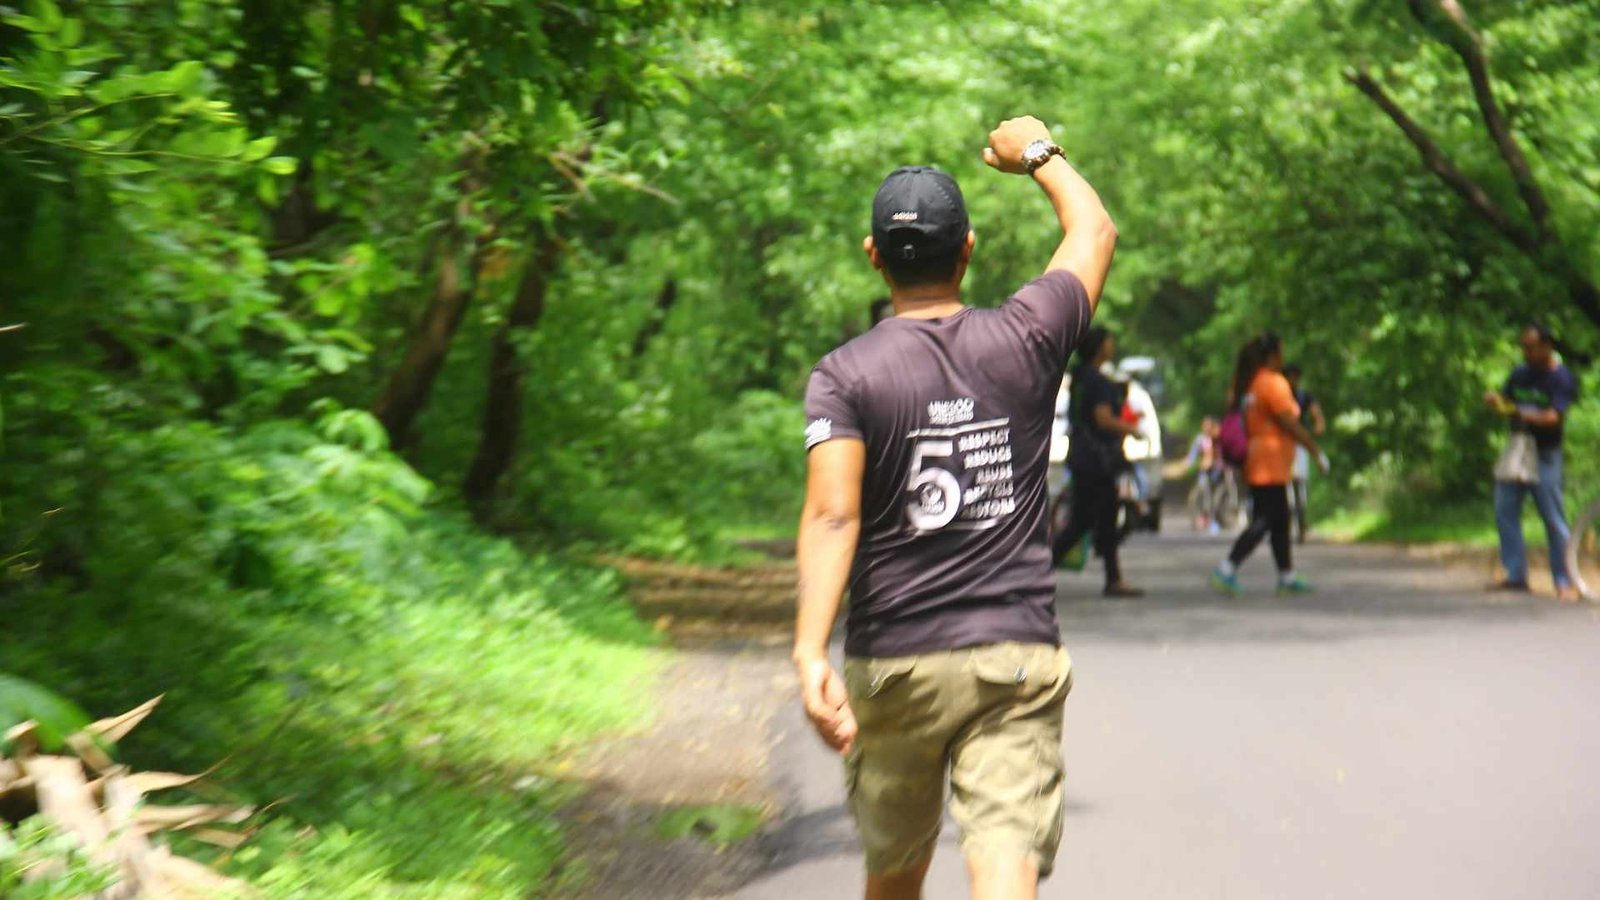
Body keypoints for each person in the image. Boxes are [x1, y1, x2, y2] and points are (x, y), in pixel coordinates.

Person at [795, 115, 1117, 900]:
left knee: (894, 873)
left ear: (875, 258)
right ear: (966, 249)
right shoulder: (1025, 337)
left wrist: (809, 652)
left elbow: (833, 518)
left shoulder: (843, 377)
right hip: (1013, 654)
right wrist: (1036, 152)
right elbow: (1094, 228)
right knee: (1006, 854)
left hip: (895, 659)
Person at [1210, 333, 1327, 597]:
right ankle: (1227, 568)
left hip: (1260, 458)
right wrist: (1314, 450)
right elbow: (1288, 421)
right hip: (1269, 461)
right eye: (1281, 352)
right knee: (1264, 519)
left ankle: (1286, 575)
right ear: (1273, 355)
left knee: (1280, 519)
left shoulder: (1251, 382)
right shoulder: (1273, 383)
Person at [1484, 324, 1580, 602]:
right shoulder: (1520, 374)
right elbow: (1509, 403)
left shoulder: (1561, 378)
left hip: (1545, 453)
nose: (1526, 352)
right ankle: (1515, 575)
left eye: (1531, 347)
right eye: (1523, 347)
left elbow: (1553, 417)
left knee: (1553, 518)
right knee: (1505, 509)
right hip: (1517, 450)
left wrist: (1520, 413)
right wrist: (1497, 402)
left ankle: (1563, 579)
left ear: (1547, 346)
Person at [1051, 327, 1144, 596]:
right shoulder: (1098, 382)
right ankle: (1036, 573)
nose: (1112, 344)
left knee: (1104, 517)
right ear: (1100, 348)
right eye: (1109, 341)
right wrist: (1131, 429)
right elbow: (1103, 418)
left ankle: (1114, 579)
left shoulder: (1079, 379)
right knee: (1084, 521)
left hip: (1081, 455)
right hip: (1097, 461)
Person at [1283, 364, 1326, 544]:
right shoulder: (1279, 397)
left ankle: (1301, 520)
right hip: (1282, 446)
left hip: (1300, 444)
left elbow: (1317, 415)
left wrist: (1318, 427)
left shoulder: (1304, 397)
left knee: (1300, 481)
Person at [1185, 416, 1223, 532]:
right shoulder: (1200, 439)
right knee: (1202, 490)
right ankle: (1203, 515)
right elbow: (1193, 453)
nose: (1205, 427)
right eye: (1204, 425)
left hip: (1216, 470)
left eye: (1208, 425)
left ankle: (1215, 517)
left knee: (1215, 494)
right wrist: (1188, 462)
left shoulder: (1216, 437)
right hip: (1204, 470)